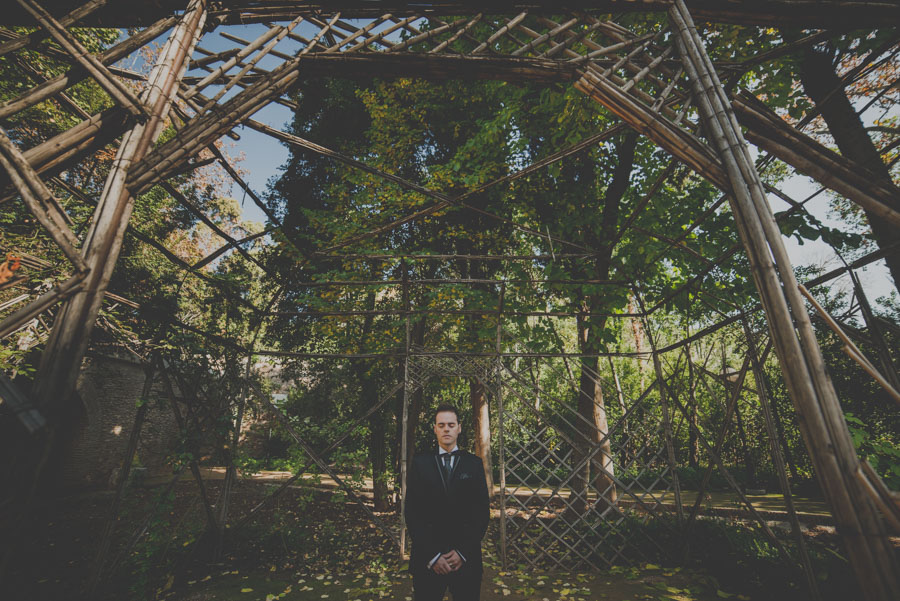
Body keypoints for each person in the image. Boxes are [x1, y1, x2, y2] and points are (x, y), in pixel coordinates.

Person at [404, 403, 490, 601]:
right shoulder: (420, 464)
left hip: (465, 559)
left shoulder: (474, 464)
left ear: (459, 428)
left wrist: (462, 551)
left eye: (451, 425)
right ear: (435, 429)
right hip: (428, 559)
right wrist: (433, 555)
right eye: (441, 425)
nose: (446, 429)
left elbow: (481, 513)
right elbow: (413, 513)